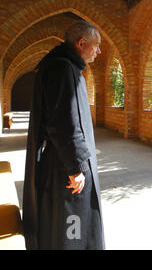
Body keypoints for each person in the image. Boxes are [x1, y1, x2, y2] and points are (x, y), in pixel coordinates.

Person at [23, 21, 105, 250]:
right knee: (72, 222)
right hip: (63, 166)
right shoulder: (62, 69)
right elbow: (63, 121)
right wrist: (76, 166)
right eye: (96, 46)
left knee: (64, 221)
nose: (99, 51)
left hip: (61, 162)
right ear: (81, 44)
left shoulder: (63, 66)